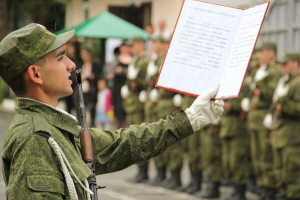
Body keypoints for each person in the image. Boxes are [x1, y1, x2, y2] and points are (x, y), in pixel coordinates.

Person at [0, 23, 224, 199]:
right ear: (36, 74)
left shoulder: (52, 128)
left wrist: (190, 118)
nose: (70, 65)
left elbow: (121, 144)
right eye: (60, 57)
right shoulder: (34, 140)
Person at [244, 42, 282, 199]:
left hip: (263, 117)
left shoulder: (275, 71)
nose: (259, 55)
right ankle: (262, 185)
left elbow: (269, 93)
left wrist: (259, 84)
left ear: (271, 53)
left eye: (263, 52)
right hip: (254, 117)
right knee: (256, 155)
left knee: (266, 155)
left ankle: (269, 188)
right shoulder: (261, 70)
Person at [264, 53, 300, 200]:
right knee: (280, 171)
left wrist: (283, 103)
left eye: (285, 64)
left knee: (292, 173)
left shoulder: (297, 83)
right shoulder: (284, 82)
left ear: (295, 63)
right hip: (280, 135)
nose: (282, 67)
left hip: (292, 136)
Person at [112, 42, 132, 128]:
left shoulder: (133, 59)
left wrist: (122, 71)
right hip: (117, 88)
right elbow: (112, 71)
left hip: (128, 87)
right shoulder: (116, 59)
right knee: (118, 109)